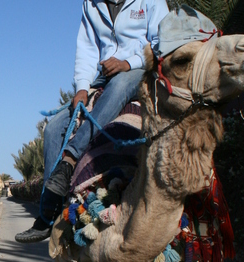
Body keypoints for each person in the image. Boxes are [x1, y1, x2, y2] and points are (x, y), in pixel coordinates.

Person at [15, 0, 169, 243]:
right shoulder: (91, 3)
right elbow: (87, 50)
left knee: (118, 86)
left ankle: (69, 160)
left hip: (140, 70)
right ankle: (48, 214)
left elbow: (163, 42)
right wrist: (82, 88)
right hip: (103, 77)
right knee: (54, 128)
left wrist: (128, 63)